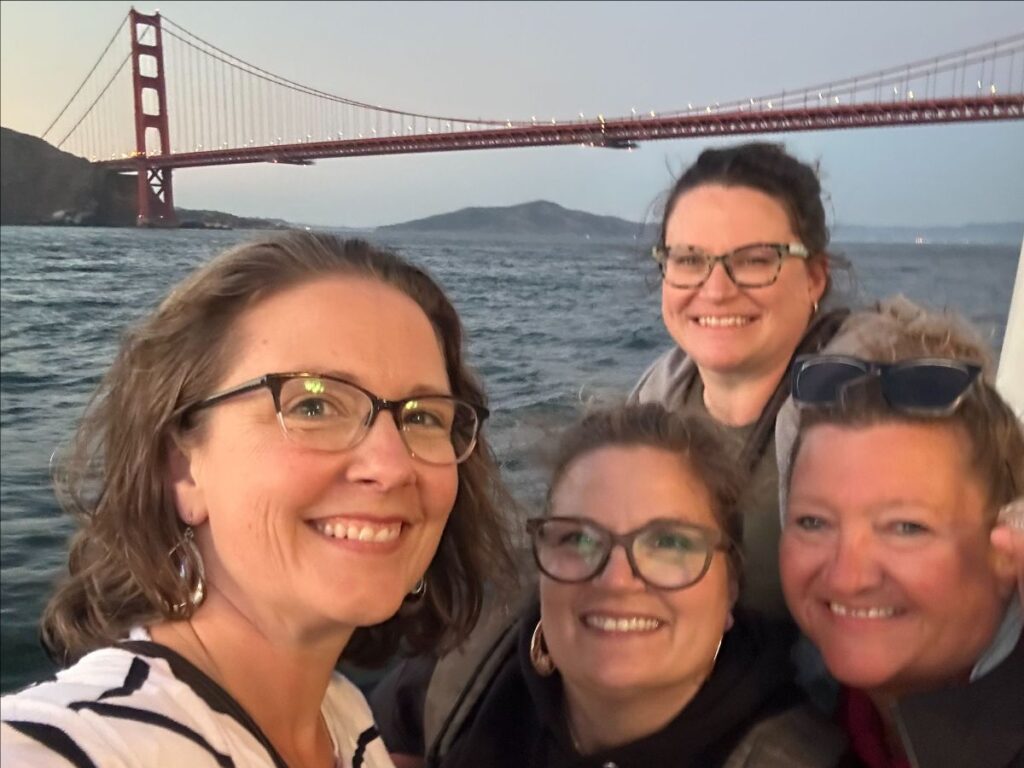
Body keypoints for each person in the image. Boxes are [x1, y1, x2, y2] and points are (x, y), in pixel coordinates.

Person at [1, 232, 516, 767]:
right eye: (313, 405)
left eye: (423, 416)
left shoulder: (342, 721)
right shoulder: (72, 749)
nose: (391, 466)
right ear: (183, 470)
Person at [373, 404, 845, 767]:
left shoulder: (798, 757)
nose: (618, 579)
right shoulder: (466, 674)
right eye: (578, 538)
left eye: (668, 543)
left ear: (730, 589)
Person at [777, 304, 1024, 768]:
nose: (849, 577)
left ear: (1007, 549)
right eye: (814, 522)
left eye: (906, 528)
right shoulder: (800, 696)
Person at [630, 141, 847, 618]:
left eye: (755, 260)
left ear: (814, 278)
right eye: (688, 259)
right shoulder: (646, 408)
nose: (717, 290)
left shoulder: (874, 421)